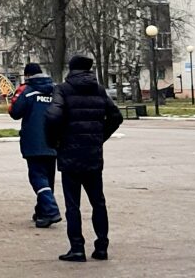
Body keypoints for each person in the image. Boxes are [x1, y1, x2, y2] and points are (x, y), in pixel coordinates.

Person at [45, 55, 123, 263]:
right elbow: (116, 117)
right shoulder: (99, 90)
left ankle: (77, 248)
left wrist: (54, 141)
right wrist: (99, 137)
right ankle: (102, 247)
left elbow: (53, 116)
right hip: (93, 155)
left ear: (71, 69)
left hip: (70, 155)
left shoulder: (63, 89)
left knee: (73, 205)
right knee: (98, 202)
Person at [9, 63, 61, 228]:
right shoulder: (56, 90)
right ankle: (42, 211)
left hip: (34, 140)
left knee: (37, 177)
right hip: (54, 140)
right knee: (48, 178)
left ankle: (51, 211)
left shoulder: (27, 91)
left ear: (27, 76)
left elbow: (15, 112)